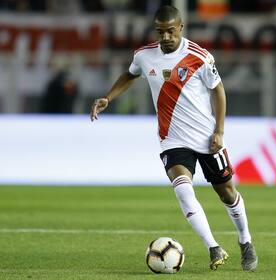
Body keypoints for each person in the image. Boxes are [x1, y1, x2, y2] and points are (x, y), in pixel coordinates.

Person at [90, 5, 258, 271]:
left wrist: (219, 131)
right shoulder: (144, 56)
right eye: (160, 32)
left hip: (206, 138)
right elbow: (129, 75)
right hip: (172, 139)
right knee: (182, 189)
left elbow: (219, 91)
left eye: (170, 31)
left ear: (180, 28)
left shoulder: (199, 57)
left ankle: (245, 241)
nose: (165, 37)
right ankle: (213, 247)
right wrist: (107, 97)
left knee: (226, 192)